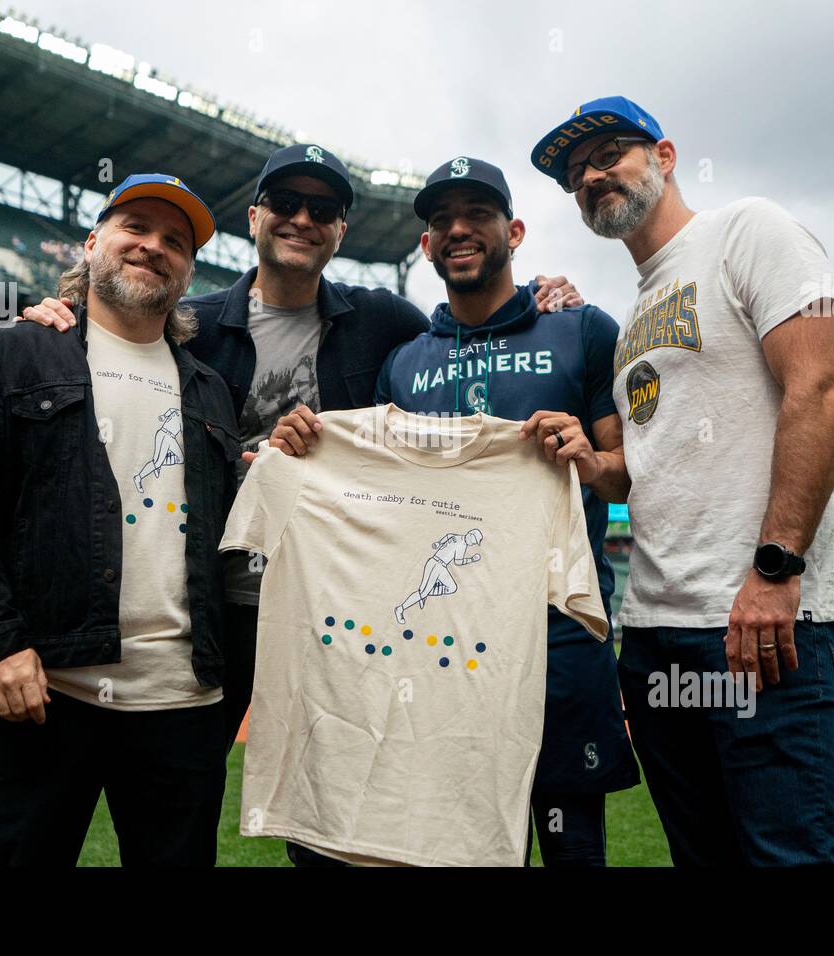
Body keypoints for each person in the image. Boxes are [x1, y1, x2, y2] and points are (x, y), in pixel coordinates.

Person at [17, 144, 580, 773]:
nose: (302, 220)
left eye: (323, 209)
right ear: (254, 218)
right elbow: (110, 327)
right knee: (187, 783)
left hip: (331, 604)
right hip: (214, 604)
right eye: (285, 204)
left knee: (333, 783)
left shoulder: (382, 319)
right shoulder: (188, 325)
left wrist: (539, 300)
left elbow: (459, 336)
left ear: (341, 230)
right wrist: (59, 312)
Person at [266, 157, 639, 867]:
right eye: (440, 222)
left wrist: (589, 461)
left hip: (558, 637)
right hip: (446, 650)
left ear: (515, 230)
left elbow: (628, 481)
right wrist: (302, 449)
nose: (458, 230)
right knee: (451, 850)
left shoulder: (584, 330)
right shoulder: (403, 362)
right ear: (426, 247)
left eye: (477, 215)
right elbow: (378, 502)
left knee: (572, 851)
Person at [531, 95, 834, 865]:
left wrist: (776, 571)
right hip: (652, 635)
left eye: (609, 154)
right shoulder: (632, 317)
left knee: (786, 857)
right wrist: (589, 456)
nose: (591, 176)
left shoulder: (748, 229)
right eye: (576, 173)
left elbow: (822, 388)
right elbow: (638, 480)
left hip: (756, 623)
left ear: (665, 157)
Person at [0, 173, 238, 867]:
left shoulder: (211, 390)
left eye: (175, 241)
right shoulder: (12, 352)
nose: (154, 246)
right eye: (137, 227)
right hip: (47, 691)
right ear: (93, 242)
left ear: (187, 273)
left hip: (183, 704)